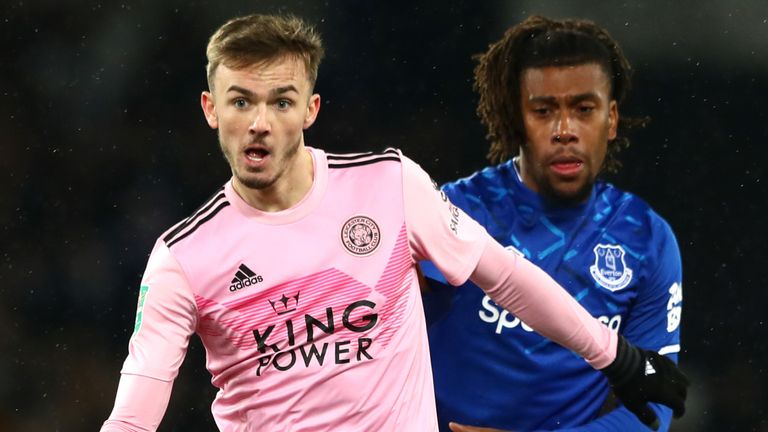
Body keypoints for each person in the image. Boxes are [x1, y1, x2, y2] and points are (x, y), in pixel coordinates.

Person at [100, 14, 687, 431]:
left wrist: (617, 356)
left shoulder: (390, 185)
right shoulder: (183, 257)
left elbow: (505, 275)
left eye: (280, 101)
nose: (259, 122)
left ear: (310, 109)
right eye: (240, 100)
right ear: (210, 109)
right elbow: (133, 415)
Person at [421, 15, 685, 432]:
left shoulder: (646, 240)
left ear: (611, 119)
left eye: (584, 109)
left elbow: (656, 408)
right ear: (516, 119)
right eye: (544, 111)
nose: (565, 131)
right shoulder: (455, 210)